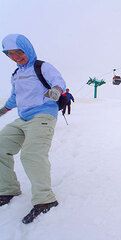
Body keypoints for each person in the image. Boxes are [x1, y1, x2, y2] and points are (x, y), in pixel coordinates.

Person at [0, 34, 66, 223]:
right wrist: (3, 110)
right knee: (1, 146)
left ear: (26, 49)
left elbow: (58, 81)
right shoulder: (16, 74)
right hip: (23, 118)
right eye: (10, 54)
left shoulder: (42, 66)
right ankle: (7, 189)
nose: (16, 57)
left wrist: (55, 92)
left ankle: (45, 200)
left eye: (19, 52)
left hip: (43, 115)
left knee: (31, 154)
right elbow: (14, 98)